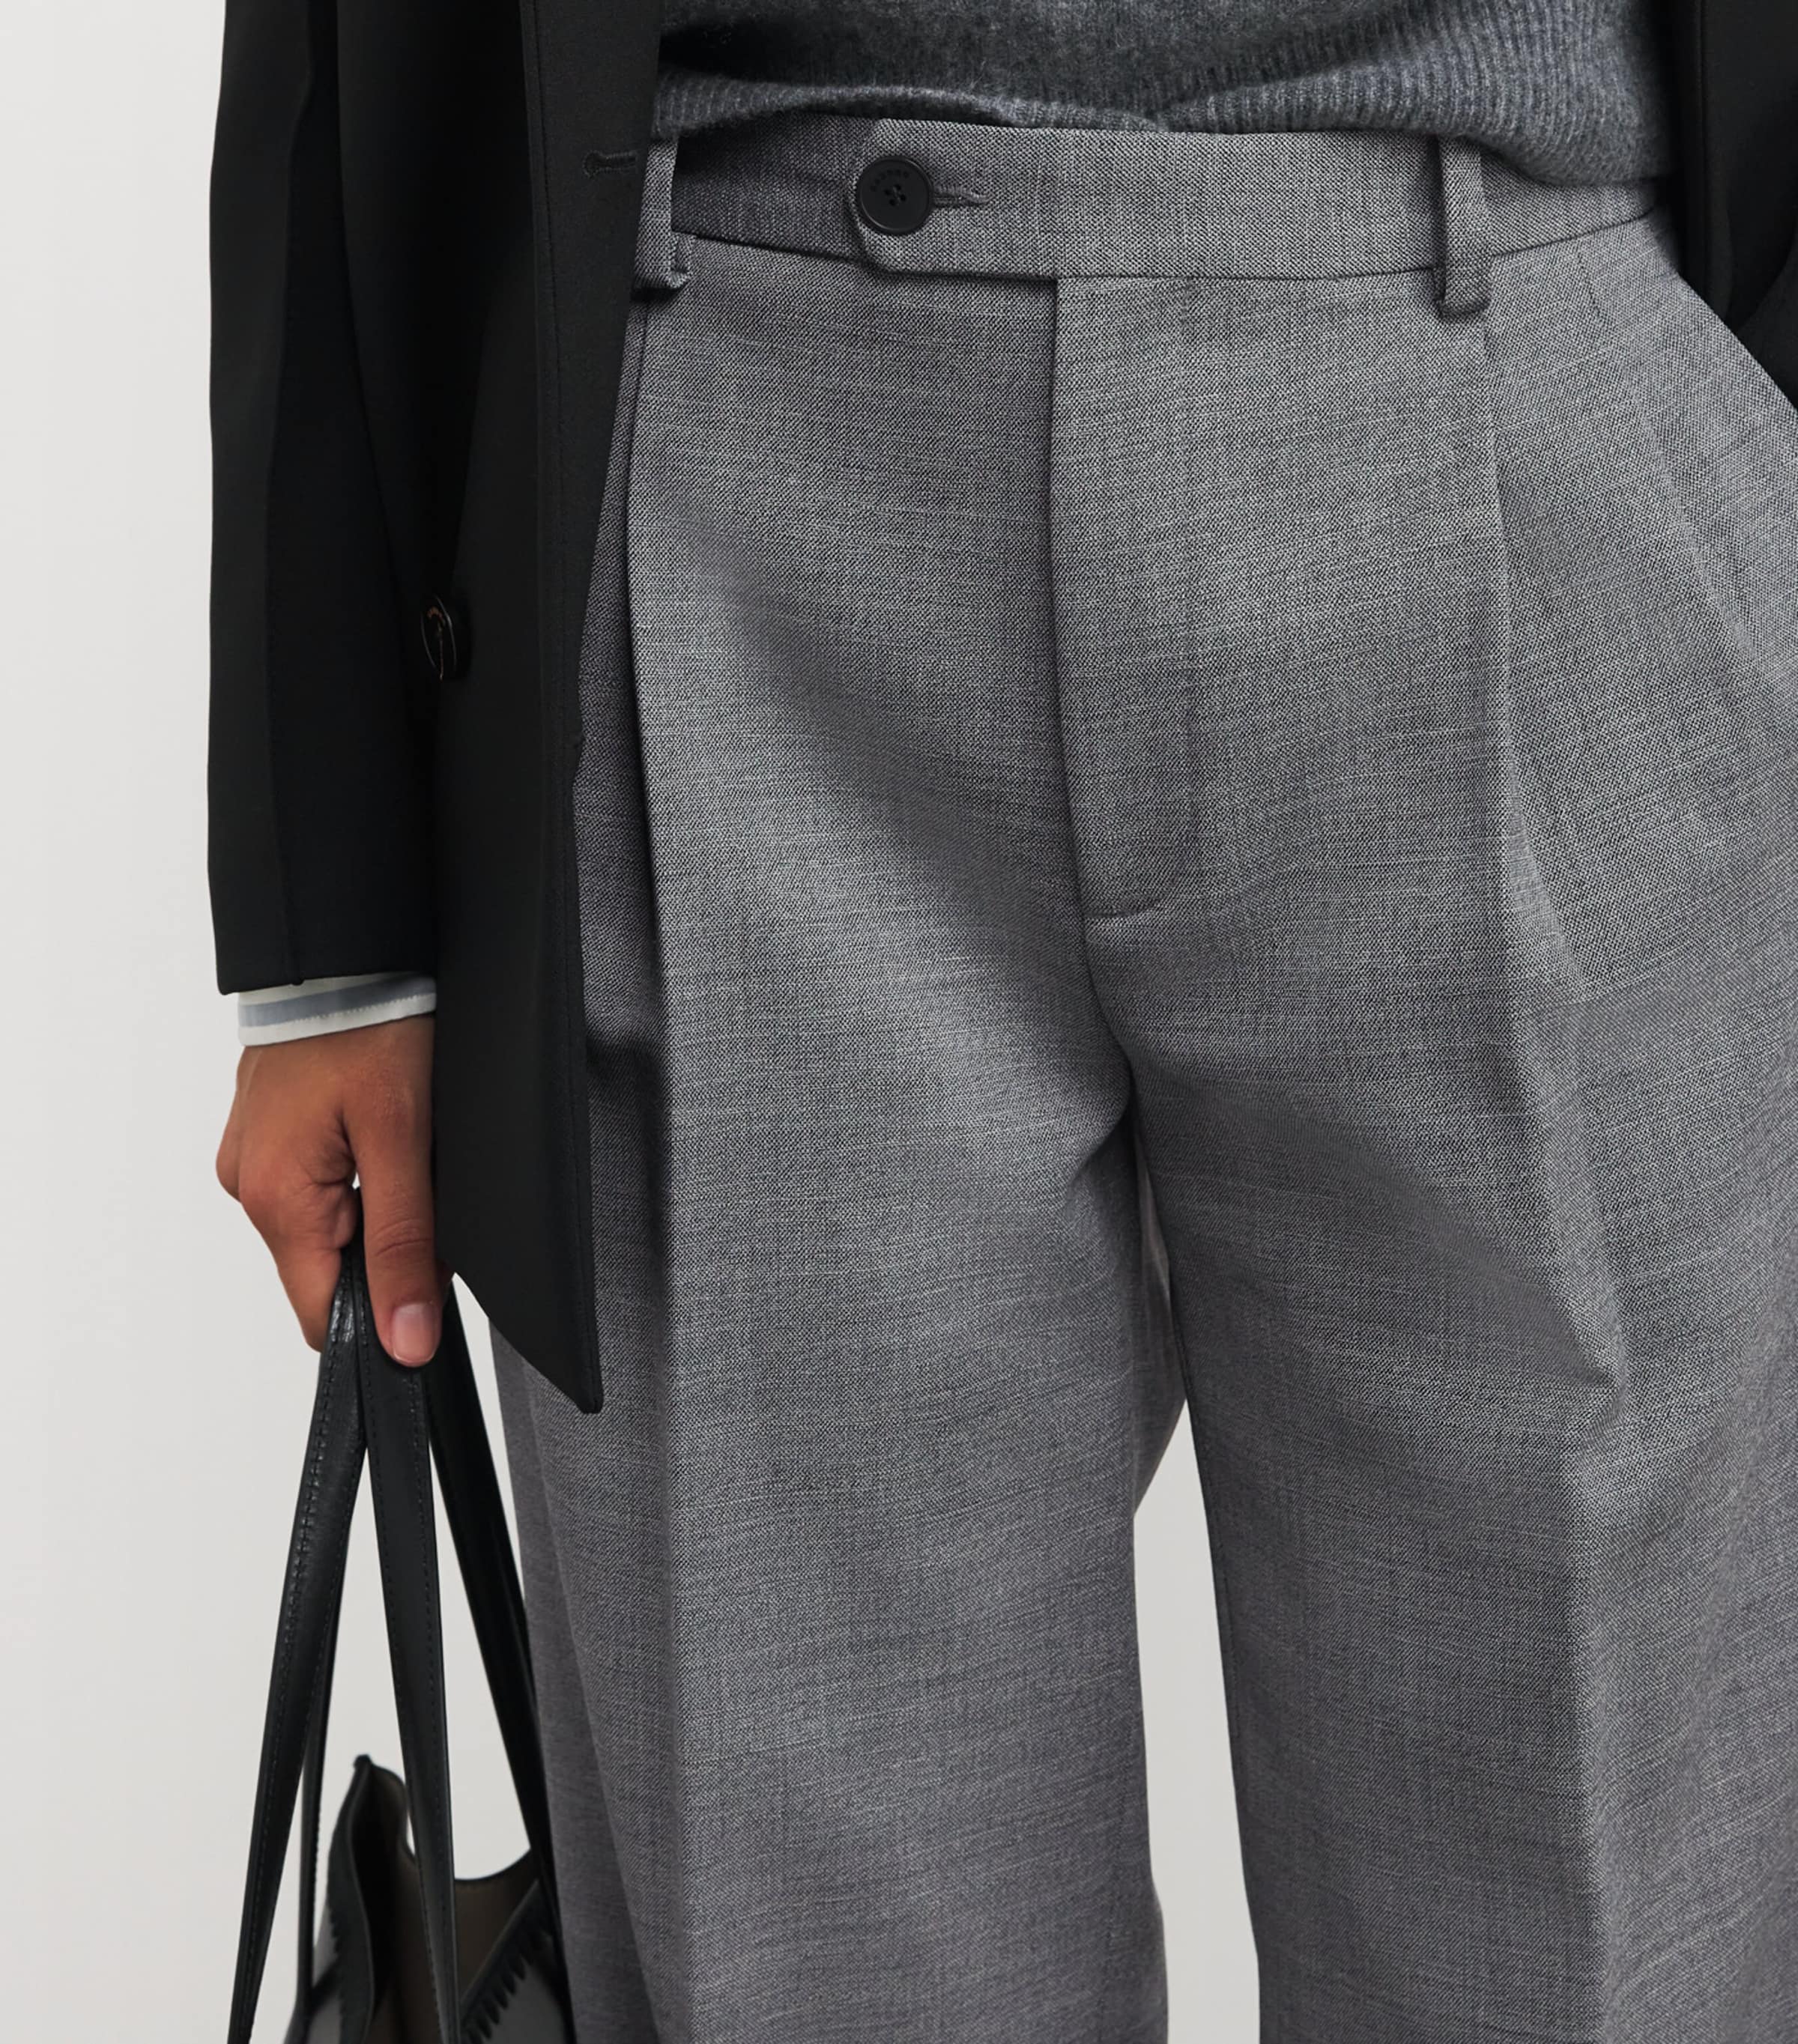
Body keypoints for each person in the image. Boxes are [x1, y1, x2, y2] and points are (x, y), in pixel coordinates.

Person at [208, 1, 1798, 2036]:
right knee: (812, 1973)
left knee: (1611, 1957)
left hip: (1549, 414)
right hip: (744, 466)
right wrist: (334, 910)